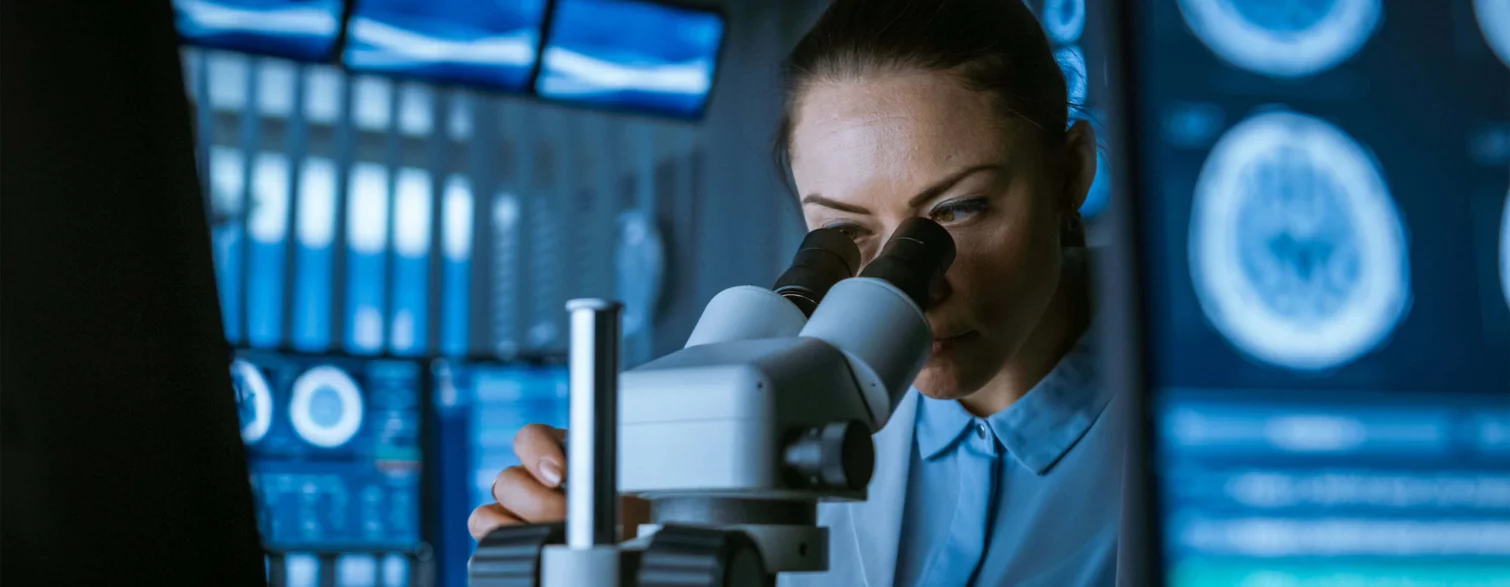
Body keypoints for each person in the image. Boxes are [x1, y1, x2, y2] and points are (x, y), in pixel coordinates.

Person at [468, 0, 1127, 584]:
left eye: (958, 209)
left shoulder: (1200, 427)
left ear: (1070, 173)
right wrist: (606, 526)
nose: (911, 293)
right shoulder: (782, 406)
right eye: (842, 231)